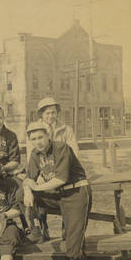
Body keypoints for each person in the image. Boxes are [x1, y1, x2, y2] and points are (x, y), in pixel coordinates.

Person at [23, 122, 92, 260]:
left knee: (73, 240)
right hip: (58, 195)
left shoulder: (62, 148)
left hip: (76, 193)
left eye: (40, 137)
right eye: (33, 139)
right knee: (19, 195)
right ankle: (37, 231)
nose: (38, 142)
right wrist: (27, 190)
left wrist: (35, 189)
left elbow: (60, 179)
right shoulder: (35, 154)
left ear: (48, 136)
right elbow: (28, 178)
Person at [27, 97, 79, 241]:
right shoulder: (35, 130)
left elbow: (74, 151)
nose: (50, 116)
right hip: (44, 172)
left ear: (57, 113)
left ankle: (66, 227)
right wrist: (38, 176)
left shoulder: (66, 129)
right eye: (47, 113)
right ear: (41, 115)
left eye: (53, 112)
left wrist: (62, 172)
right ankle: (41, 226)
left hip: (63, 172)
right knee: (35, 192)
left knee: (68, 193)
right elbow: (32, 156)